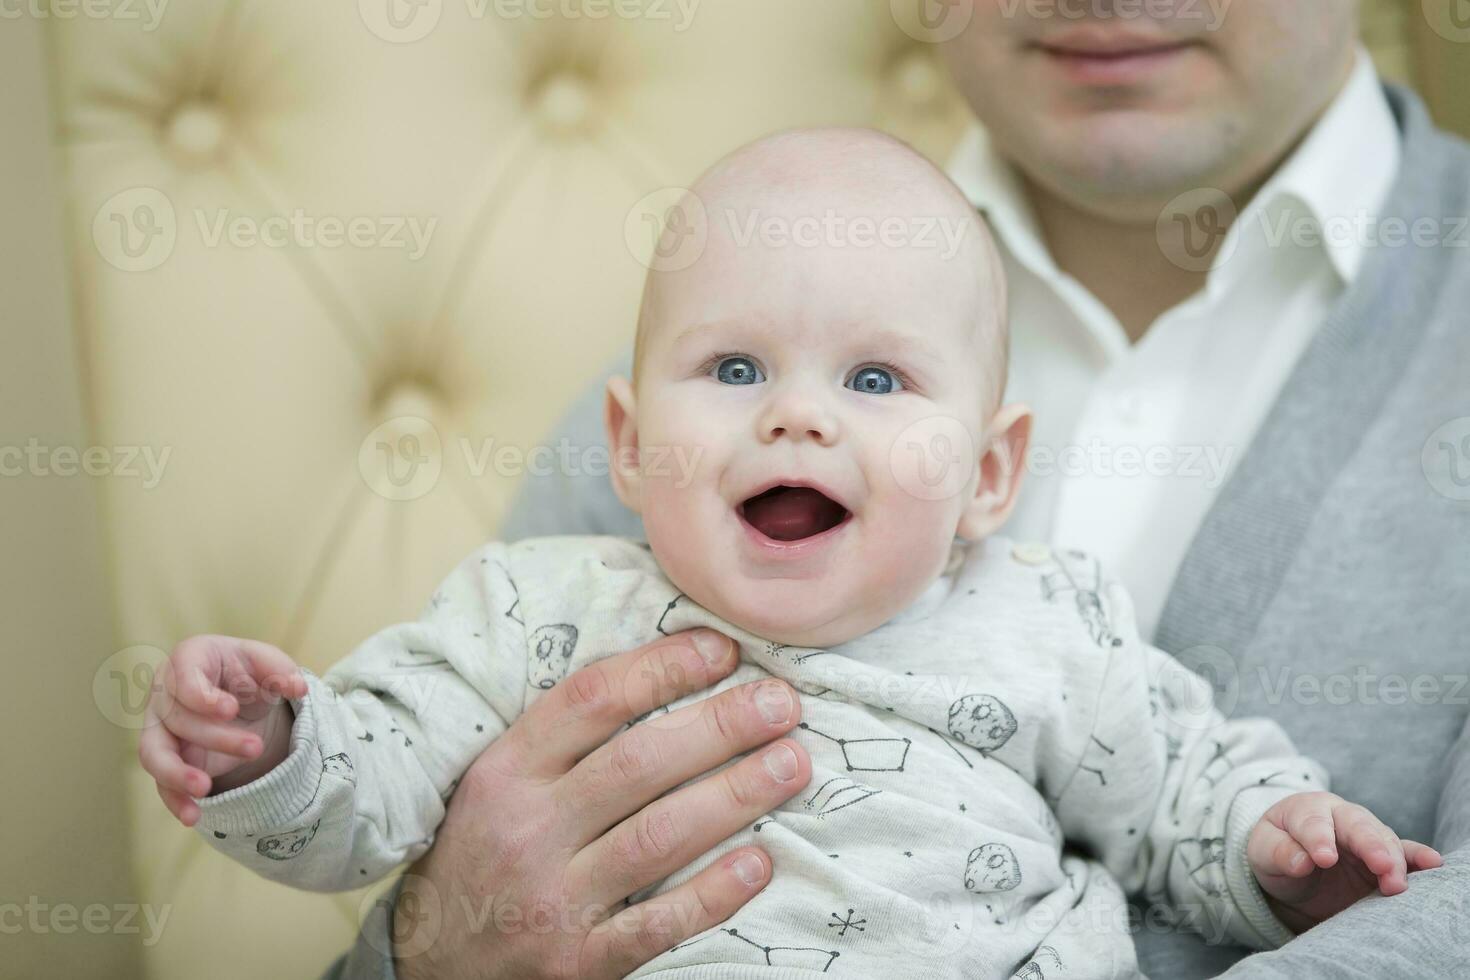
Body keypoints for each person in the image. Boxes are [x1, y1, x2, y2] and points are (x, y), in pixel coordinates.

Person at [142, 129, 1440, 980]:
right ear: (631, 444)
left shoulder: (1050, 625)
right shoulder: (535, 612)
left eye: (875, 377)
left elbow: (1178, 798)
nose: (797, 413)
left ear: (988, 475)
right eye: (734, 366)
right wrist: (272, 748)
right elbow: (371, 795)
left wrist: (1278, 844)